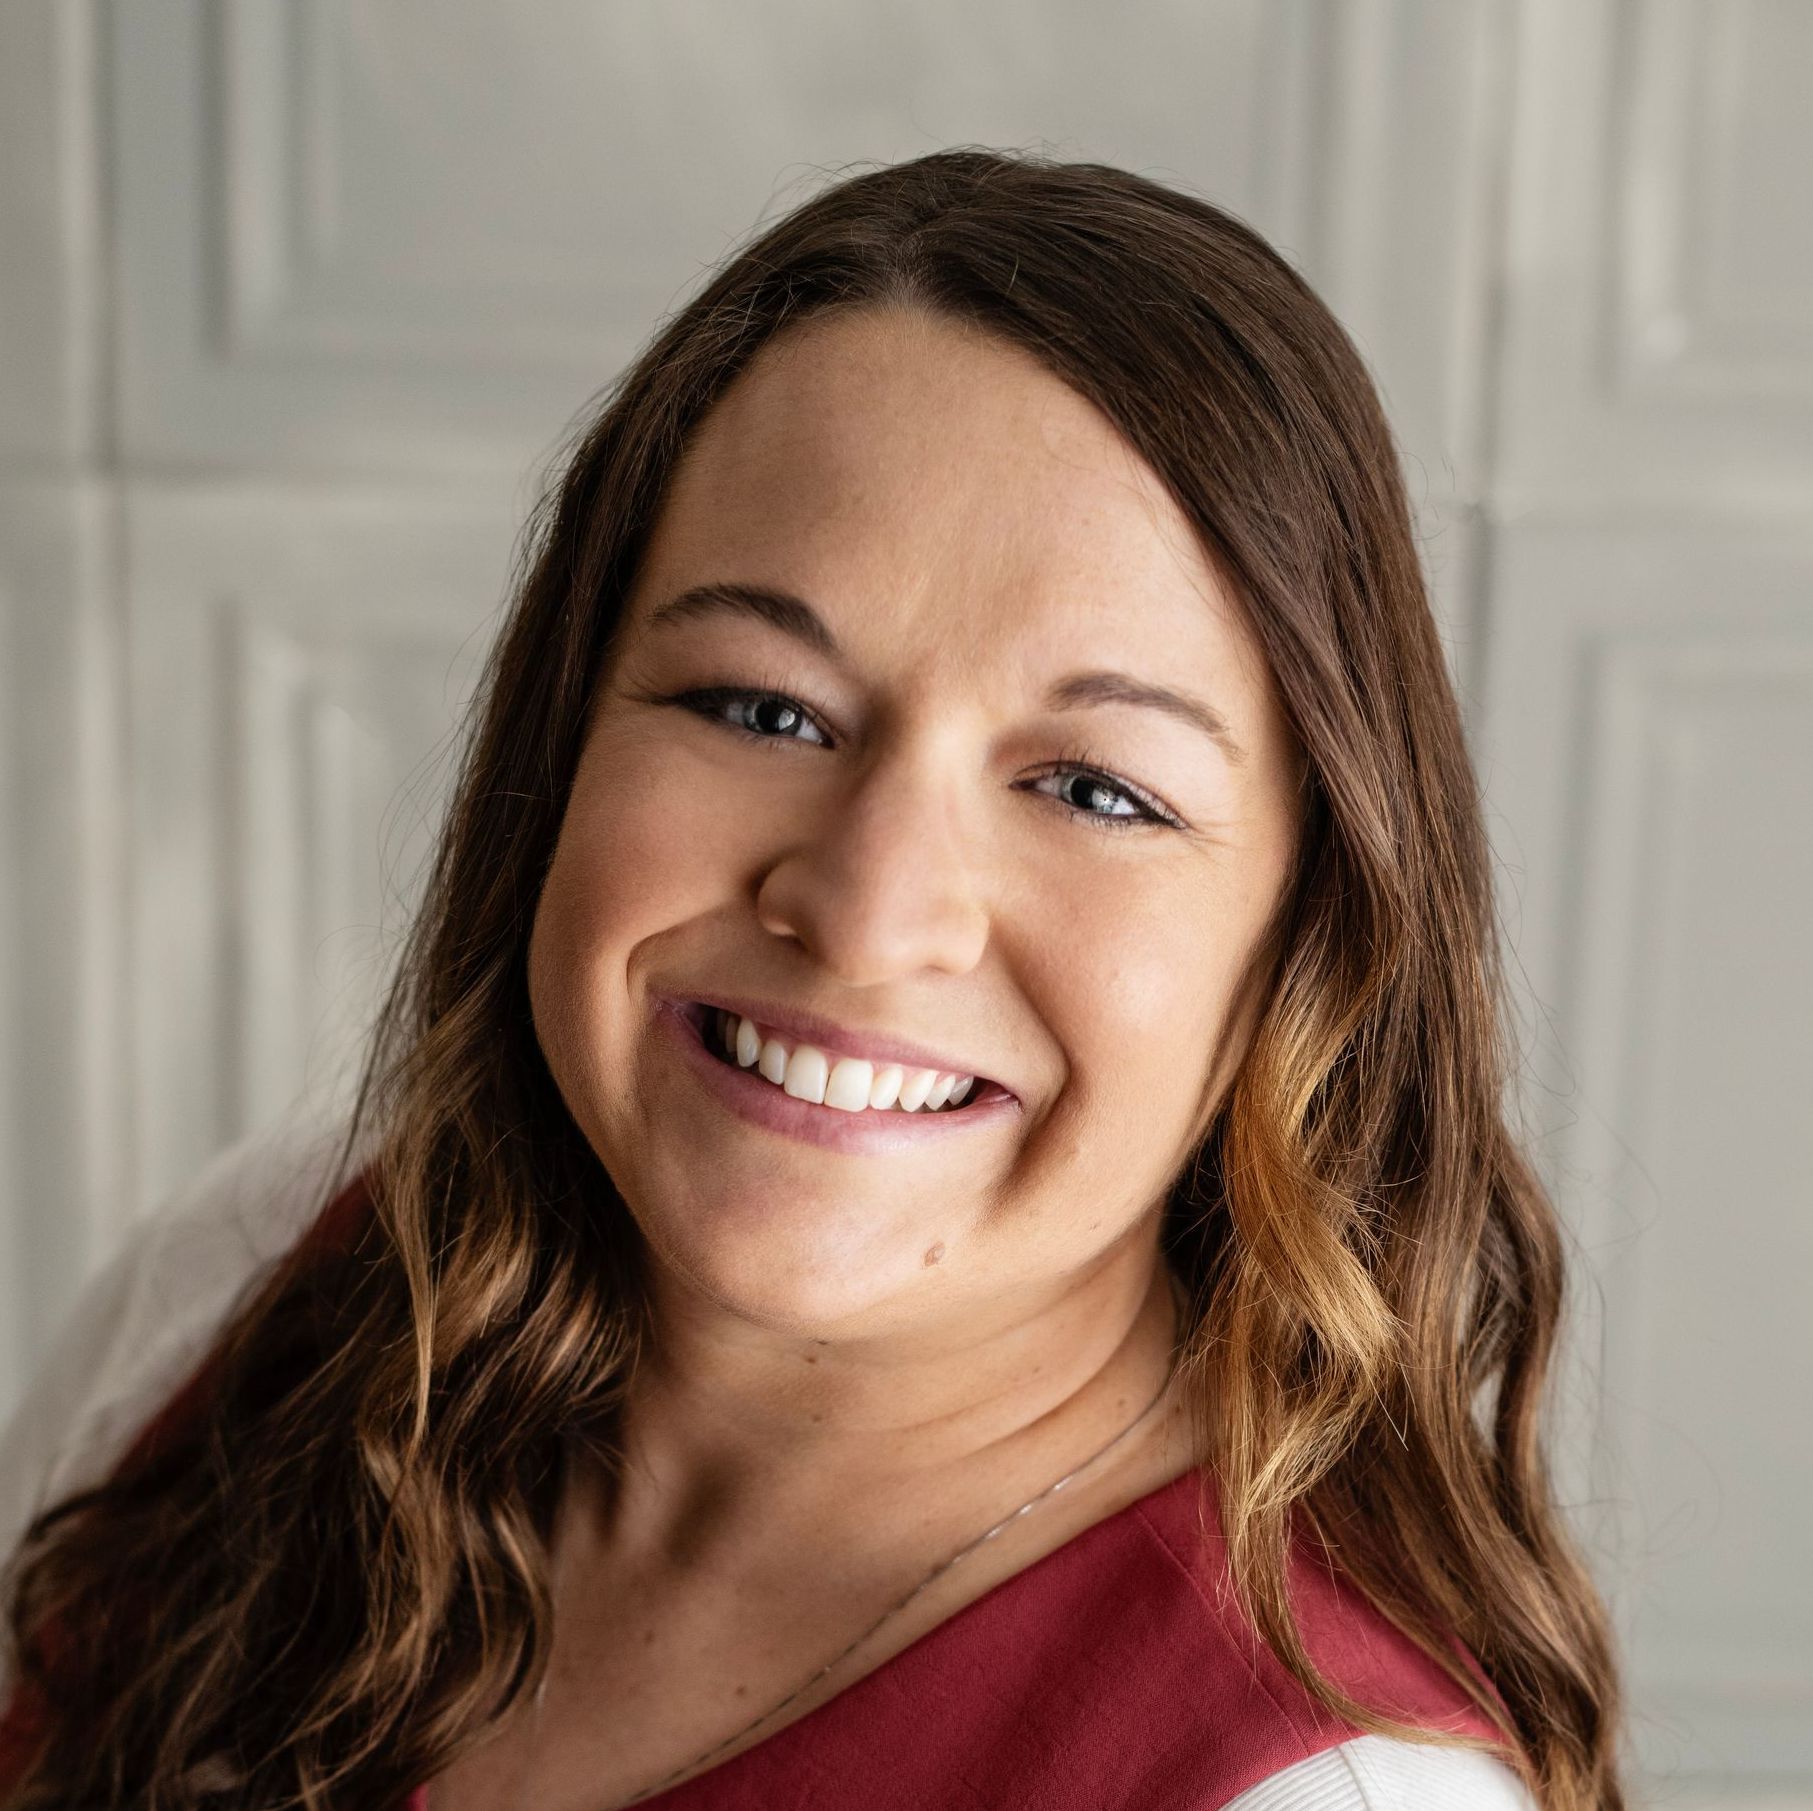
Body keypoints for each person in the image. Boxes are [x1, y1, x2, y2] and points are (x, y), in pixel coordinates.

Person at [0, 149, 1624, 1810]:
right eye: (761, 707)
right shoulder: (258, 1277)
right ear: (560, 740)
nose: (865, 907)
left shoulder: (1316, 1792)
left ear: (1307, 948)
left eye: (1093, 789)